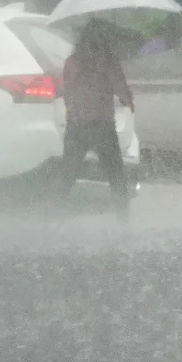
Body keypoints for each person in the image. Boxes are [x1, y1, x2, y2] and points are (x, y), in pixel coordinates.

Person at [60, 19, 135, 219]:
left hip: (78, 124)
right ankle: (123, 220)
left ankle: (49, 219)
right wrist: (128, 101)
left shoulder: (74, 61)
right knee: (115, 175)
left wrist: (74, 110)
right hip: (102, 124)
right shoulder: (109, 61)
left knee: (67, 174)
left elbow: (67, 90)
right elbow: (121, 89)